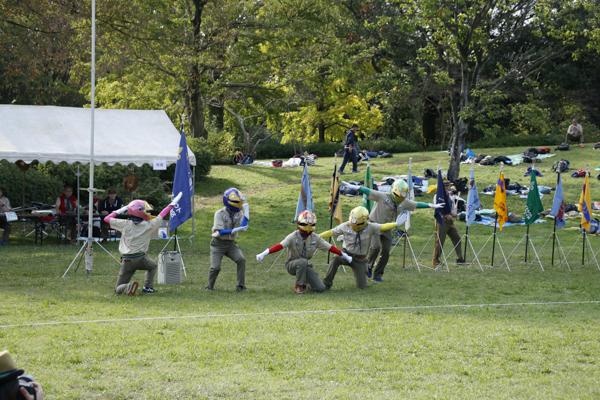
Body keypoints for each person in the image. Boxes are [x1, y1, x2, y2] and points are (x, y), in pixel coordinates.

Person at [342, 180, 444, 282]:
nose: (399, 200)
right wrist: (357, 187)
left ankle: (378, 275)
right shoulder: (382, 196)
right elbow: (368, 191)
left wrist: (431, 206)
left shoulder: (404, 202)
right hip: (374, 225)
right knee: (376, 246)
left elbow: (416, 204)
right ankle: (369, 266)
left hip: (388, 227)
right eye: (397, 198)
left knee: (386, 251)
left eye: (401, 199)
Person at [103, 192, 182, 295]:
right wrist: (172, 204)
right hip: (141, 258)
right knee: (153, 266)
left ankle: (127, 286)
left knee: (117, 289)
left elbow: (106, 218)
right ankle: (148, 287)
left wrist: (123, 209)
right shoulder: (149, 225)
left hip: (127, 260)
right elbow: (162, 214)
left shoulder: (125, 224)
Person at [256, 210, 351, 294]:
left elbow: (330, 247)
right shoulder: (293, 236)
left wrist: (344, 255)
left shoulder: (315, 238)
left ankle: (307, 283)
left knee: (320, 288)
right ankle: (298, 286)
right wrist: (264, 253)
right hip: (292, 265)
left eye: (311, 225)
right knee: (303, 261)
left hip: (304, 266)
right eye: (305, 225)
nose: (308, 228)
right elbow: (280, 246)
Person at [318, 206, 407, 289]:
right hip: (346, 253)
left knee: (362, 286)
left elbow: (382, 226)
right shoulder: (345, 225)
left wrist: (395, 224)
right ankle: (326, 283)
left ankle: (363, 271)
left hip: (360, 259)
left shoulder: (371, 227)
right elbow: (331, 232)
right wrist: (317, 236)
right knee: (336, 257)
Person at [207, 188, 250, 292]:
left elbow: (244, 226)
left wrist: (246, 211)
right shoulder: (219, 213)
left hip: (231, 244)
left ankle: (240, 286)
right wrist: (235, 230)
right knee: (215, 267)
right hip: (218, 244)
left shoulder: (238, 213)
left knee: (241, 259)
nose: (238, 204)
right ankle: (210, 286)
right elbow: (220, 231)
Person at [435, 179, 465, 266]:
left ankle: (459, 259)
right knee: (440, 240)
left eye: (447, 186)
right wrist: (450, 213)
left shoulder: (451, 196)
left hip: (450, 221)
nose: (446, 187)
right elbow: (438, 208)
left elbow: (453, 208)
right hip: (442, 220)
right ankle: (436, 259)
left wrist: (453, 214)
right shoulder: (438, 196)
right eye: (444, 186)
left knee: (457, 239)